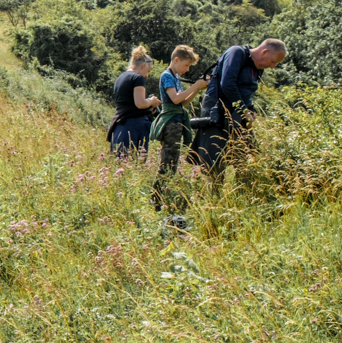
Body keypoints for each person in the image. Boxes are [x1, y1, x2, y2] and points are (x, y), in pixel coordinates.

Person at [191, 38, 288, 186]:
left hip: (238, 114)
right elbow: (227, 84)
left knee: (248, 158)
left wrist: (251, 111)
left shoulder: (258, 68)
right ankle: (210, 196)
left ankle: (244, 193)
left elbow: (247, 94)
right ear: (264, 52)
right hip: (217, 110)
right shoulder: (236, 53)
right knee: (214, 163)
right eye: (273, 61)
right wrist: (244, 110)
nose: (272, 66)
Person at [150, 45, 210, 212]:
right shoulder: (167, 76)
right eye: (186, 65)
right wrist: (195, 86)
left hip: (177, 123)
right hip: (170, 124)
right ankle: (156, 199)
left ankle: (161, 198)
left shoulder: (175, 77)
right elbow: (175, 99)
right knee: (167, 163)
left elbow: (183, 102)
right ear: (176, 60)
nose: (187, 69)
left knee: (173, 164)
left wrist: (197, 89)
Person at [107, 46, 161, 160]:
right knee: (135, 163)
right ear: (143, 66)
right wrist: (152, 102)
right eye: (148, 71)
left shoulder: (121, 77)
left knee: (120, 163)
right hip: (133, 127)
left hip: (119, 125)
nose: (147, 75)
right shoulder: (138, 78)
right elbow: (140, 103)